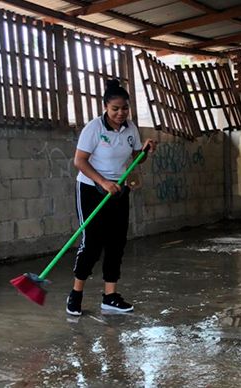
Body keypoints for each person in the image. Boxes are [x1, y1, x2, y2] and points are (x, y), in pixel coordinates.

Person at [66, 79, 157, 316]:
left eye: (124, 108)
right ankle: (76, 294)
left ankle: (110, 296)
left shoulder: (131, 128)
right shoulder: (93, 129)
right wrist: (103, 182)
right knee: (92, 243)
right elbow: (79, 161)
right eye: (115, 109)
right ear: (105, 106)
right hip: (91, 189)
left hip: (118, 190)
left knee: (116, 242)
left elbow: (137, 158)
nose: (120, 113)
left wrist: (145, 149)